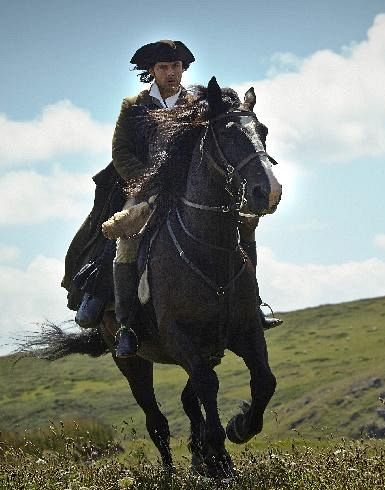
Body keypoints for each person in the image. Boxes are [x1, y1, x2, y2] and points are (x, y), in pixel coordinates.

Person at [84, 40, 282, 358]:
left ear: (183, 68)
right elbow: (121, 151)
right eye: (163, 67)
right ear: (152, 71)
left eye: (175, 66)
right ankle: (127, 326)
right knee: (127, 242)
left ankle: (252, 306)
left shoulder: (197, 102)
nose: (171, 73)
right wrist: (149, 180)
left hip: (192, 187)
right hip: (146, 188)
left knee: (245, 223)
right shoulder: (133, 105)